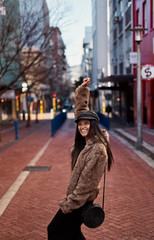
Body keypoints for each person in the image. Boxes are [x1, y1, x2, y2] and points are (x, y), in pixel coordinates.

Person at [47, 78, 114, 240]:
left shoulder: (97, 149)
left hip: (80, 200)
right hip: (78, 199)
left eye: (86, 124)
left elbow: (87, 182)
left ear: (94, 125)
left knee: (54, 229)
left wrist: (70, 203)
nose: (83, 127)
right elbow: (81, 111)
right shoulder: (87, 141)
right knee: (72, 233)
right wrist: (82, 90)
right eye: (80, 124)